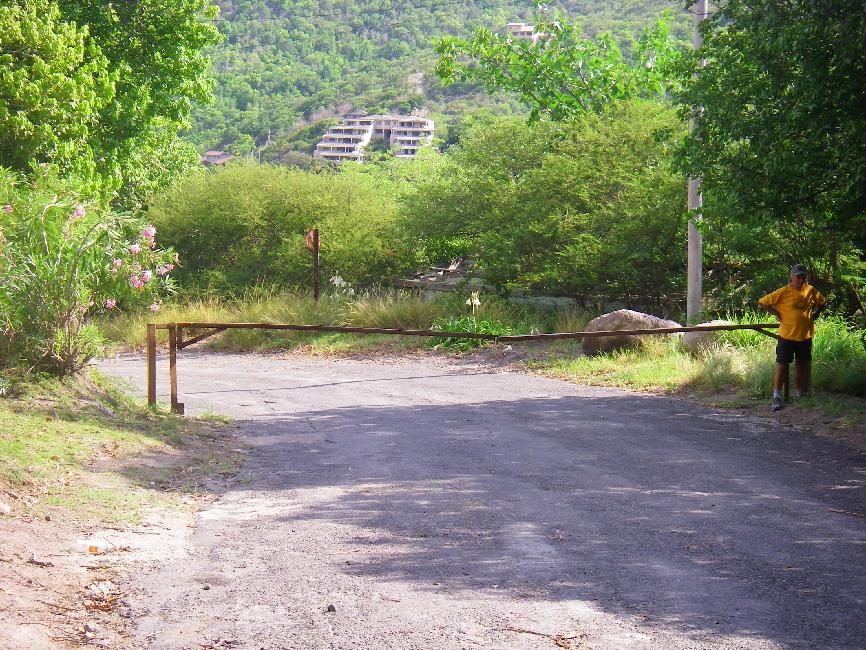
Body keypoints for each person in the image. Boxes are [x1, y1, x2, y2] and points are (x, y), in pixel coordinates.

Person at [758, 264, 827, 411]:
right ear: (792, 277)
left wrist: (816, 314)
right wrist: (776, 313)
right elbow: (763, 302)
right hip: (786, 336)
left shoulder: (810, 290)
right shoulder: (783, 292)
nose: (801, 280)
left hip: (805, 335)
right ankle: (776, 396)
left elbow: (822, 302)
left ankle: (799, 393)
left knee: (801, 365)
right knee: (782, 365)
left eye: (803, 277)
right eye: (798, 277)